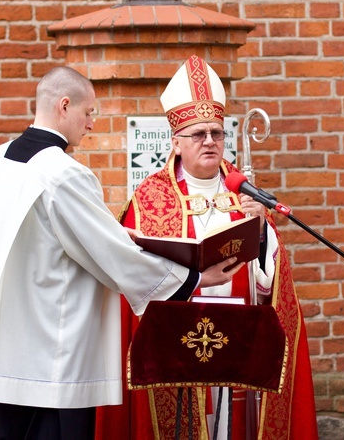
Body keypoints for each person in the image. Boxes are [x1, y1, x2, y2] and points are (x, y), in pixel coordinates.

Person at [0, 66, 245, 440]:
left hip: (4, 350)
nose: (90, 125)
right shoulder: (63, 173)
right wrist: (196, 277)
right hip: (53, 356)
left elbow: (44, 237)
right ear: (64, 106)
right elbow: (112, 256)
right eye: (89, 113)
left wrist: (117, 234)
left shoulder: (0, 160)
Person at [96, 55, 318, 440]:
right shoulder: (149, 198)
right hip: (177, 342)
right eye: (199, 134)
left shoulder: (244, 193)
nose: (211, 142)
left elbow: (273, 285)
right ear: (176, 142)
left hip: (239, 339)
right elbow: (129, 277)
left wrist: (262, 232)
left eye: (217, 133)